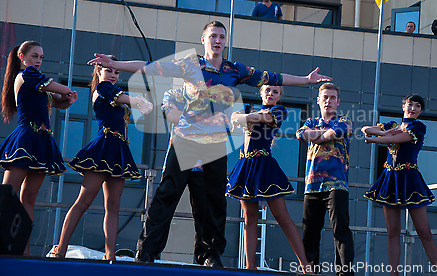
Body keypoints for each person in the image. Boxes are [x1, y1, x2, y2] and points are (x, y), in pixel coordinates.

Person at [88, 20, 331, 267]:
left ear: (225, 41)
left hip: (215, 143)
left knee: (212, 199)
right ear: (203, 40)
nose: (217, 40)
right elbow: (151, 67)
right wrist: (114, 64)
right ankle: (147, 251)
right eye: (213, 36)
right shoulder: (190, 64)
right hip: (185, 139)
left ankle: (210, 254)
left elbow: (273, 77)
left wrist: (306, 80)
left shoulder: (234, 70)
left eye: (221, 37)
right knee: (167, 193)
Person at [52, 56, 153, 260]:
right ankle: (60, 250)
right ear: (98, 71)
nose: (114, 75)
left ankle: (110, 255)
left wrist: (141, 101)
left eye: (116, 72)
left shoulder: (114, 90)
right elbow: (128, 100)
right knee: (83, 201)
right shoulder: (104, 89)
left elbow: (146, 66)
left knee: (113, 206)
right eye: (109, 70)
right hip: (103, 150)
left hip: (118, 152)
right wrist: (141, 101)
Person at [0, 41, 78, 255]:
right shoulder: (28, 75)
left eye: (41, 57)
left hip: (41, 141)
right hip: (25, 141)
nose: (38, 61)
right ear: (22, 57)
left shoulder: (37, 81)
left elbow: (56, 100)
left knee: (29, 199)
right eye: (35, 56)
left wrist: (67, 100)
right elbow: (58, 88)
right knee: (7, 195)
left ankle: (23, 250)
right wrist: (69, 91)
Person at [227, 85, 309, 271]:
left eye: (275, 92)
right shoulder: (248, 108)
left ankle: (305, 265)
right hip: (245, 166)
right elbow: (232, 117)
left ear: (279, 96)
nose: (270, 94)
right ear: (261, 92)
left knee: (282, 216)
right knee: (250, 217)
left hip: (265, 165)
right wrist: (244, 117)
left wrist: (244, 119)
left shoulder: (278, 111)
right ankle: (251, 267)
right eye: (268, 90)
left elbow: (265, 118)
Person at [362, 94, 437, 276]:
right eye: (410, 104)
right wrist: (383, 133)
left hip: (409, 180)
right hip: (390, 179)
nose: (413, 108)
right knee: (393, 231)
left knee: (424, 232)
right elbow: (365, 128)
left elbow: (393, 140)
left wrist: (376, 139)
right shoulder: (392, 125)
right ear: (403, 107)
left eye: (417, 106)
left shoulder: (418, 127)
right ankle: (394, 274)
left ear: (420, 111)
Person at [296, 83, 354, 276]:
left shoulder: (345, 120)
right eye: (325, 97)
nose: (328, 101)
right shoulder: (311, 121)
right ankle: (310, 271)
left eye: (332, 98)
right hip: (312, 186)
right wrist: (323, 134)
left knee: (340, 230)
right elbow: (302, 134)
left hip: (336, 184)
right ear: (318, 100)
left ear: (338, 101)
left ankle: (344, 272)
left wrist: (317, 137)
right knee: (310, 231)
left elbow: (338, 132)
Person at [158, 87, 208, 265]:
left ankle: (207, 256)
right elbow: (171, 116)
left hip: (204, 163)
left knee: (205, 213)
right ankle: (149, 251)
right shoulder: (174, 94)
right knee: (163, 207)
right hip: (178, 159)